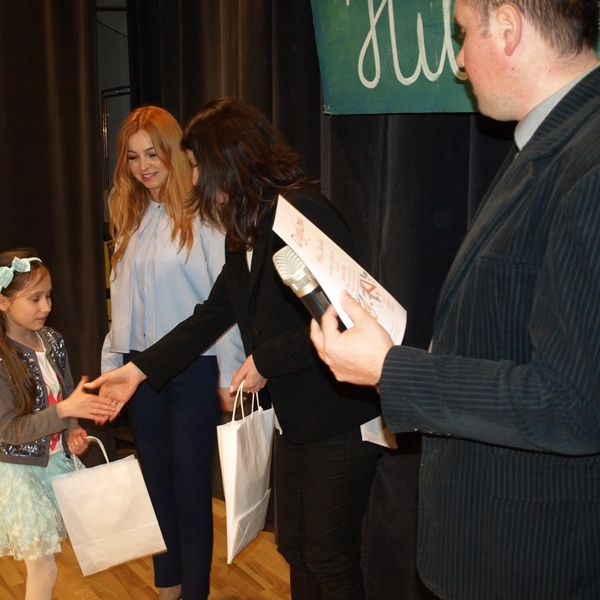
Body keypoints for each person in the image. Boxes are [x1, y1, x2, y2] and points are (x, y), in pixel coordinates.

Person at [310, 1, 600, 599]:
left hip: (529, 564)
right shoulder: (552, 142)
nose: (460, 61)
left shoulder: (587, 163)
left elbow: (572, 404)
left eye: (464, 35)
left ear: (509, 27)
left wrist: (391, 371)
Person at [89, 97, 383, 599]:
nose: (193, 178)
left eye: (197, 165)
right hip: (295, 419)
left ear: (229, 159)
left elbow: (345, 316)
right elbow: (211, 315)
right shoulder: (245, 227)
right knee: (296, 550)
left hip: (339, 418)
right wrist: (137, 371)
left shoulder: (301, 212)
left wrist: (264, 359)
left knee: (329, 560)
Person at [102, 105, 244, 600]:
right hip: (137, 369)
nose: (144, 166)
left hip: (194, 369)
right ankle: (168, 587)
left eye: (153, 154)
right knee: (156, 486)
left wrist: (229, 374)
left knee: (190, 491)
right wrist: (112, 369)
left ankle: (194, 593)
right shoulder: (129, 218)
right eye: (133, 156)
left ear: (174, 153)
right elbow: (120, 305)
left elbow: (224, 304)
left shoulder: (205, 215)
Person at [0, 249, 114, 600]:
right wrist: (65, 411)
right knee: (43, 566)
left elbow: (64, 396)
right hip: (18, 471)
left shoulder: (52, 340)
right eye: (34, 299)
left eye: (48, 296)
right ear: (3, 302)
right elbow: (9, 431)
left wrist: (72, 433)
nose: (46, 306)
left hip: (53, 463)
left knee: (47, 563)